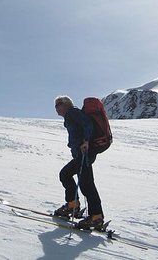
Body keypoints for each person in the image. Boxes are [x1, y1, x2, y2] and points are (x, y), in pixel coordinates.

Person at [53, 95, 104, 229]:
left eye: (59, 104)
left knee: (86, 184)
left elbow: (88, 123)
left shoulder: (73, 113)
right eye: (55, 105)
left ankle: (96, 216)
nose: (56, 107)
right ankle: (73, 205)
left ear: (66, 104)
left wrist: (86, 140)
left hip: (84, 153)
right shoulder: (70, 116)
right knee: (66, 175)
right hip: (81, 154)